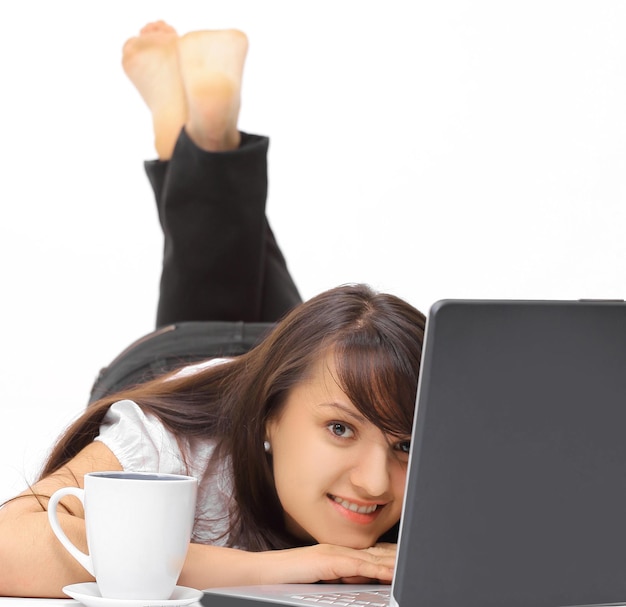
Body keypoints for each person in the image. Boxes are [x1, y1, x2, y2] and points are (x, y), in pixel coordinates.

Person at [0, 21, 426, 598]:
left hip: (285, 352)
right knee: (264, 276)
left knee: (266, 271)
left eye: (403, 444)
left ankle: (192, 137)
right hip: (178, 362)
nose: (376, 481)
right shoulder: (175, 445)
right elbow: (8, 549)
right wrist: (293, 565)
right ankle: (195, 138)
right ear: (270, 415)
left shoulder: (419, 451)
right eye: (341, 428)